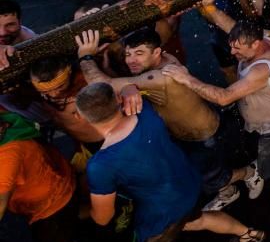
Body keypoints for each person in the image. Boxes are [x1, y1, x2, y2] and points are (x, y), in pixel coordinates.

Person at [75, 82, 265, 242]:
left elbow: (103, 218)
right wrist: (128, 88)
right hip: (188, 184)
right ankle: (248, 233)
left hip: (161, 213)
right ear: (118, 99)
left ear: (81, 118)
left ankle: (246, 234)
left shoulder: (101, 165)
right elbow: (132, 88)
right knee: (197, 220)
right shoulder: (144, 110)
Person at [76, 27, 253, 211]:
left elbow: (104, 86)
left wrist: (85, 56)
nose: (131, 60)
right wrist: (129, 85)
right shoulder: (161, 62)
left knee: (209, 176)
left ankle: (249, 173)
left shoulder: (162, 76)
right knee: (201, 171)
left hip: (203, 137)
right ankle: (226, 190)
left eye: (139, 53)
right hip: (191, 132)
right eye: (128, 54)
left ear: (157, 53)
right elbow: (133, 82)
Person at [162, 14, 270, 190]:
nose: (232, 52)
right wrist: (208, 6)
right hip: (263, 121)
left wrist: (187, 79)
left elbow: (224, 98)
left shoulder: (262, 68)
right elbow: (227, 23)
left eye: (237, 49)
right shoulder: (258, 36)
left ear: (255, 44)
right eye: (232, 46)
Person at [0, 112, 106, 242]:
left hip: (50, 201)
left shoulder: (6, 158)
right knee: (72, 214)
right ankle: (108, 210)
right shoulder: (8, 128)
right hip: (57, 175)